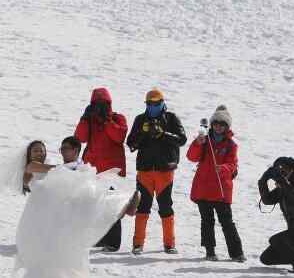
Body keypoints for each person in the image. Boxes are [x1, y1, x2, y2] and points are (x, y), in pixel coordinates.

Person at [16, 136, 140, 278]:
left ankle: (123, 206)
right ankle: (121, 206)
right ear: (29, 154)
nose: (39, 153)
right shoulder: (32, 166)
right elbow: (52, 170)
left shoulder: (48, 166)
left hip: (50, 208)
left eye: (42, 151)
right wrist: (69, 169)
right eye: (36, 151)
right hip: (38, 211)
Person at [126, 88, 187, 255]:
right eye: (150, 104)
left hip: (165, 170)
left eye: (156, 104)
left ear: (162, 103)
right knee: (142, 207)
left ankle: (169, 244)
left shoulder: (171, 118)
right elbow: (131, 144)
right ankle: (137, 244)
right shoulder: (140, 119)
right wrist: (143, 133)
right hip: (145, 170)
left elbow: (182, 139)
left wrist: (163, 134)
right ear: (146, 104)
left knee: (166, 207)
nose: (153, 106)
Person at [187, 105, 246, 262]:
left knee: (227, 222)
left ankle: (237, 253)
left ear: (227, 127)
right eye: (216, 123)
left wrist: (224, 168)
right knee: (207, 222)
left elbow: (233, 164)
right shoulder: (204, 140)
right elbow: (191, 157)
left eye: (222, 124)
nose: (218, 126)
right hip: (203, 188)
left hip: (221, 191)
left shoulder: (231, 145)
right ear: (211, 124)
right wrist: (197, 143)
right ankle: (210, 251)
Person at [74, 88, 128, 252]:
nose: (99, 107)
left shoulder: (118, 118)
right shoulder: (89, 121)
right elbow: (79, 138)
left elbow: (119, 137)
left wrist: (106, 121)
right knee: (93, 205)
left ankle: (112, 242)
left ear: (109, 104)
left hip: (112, 171)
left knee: (112, 205)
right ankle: (98, 238)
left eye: (103, 104)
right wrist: (84, 118)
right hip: (92, 169)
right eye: (96, 104)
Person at [258, 157, 294, 274]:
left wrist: (281, 180)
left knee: (275, 240)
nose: (281, 174)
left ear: (292, 169)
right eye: (279, 171)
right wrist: (263, 181)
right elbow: (267, 200)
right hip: (293, 230)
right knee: (266, 258)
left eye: (284, 171)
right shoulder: (283, 186)